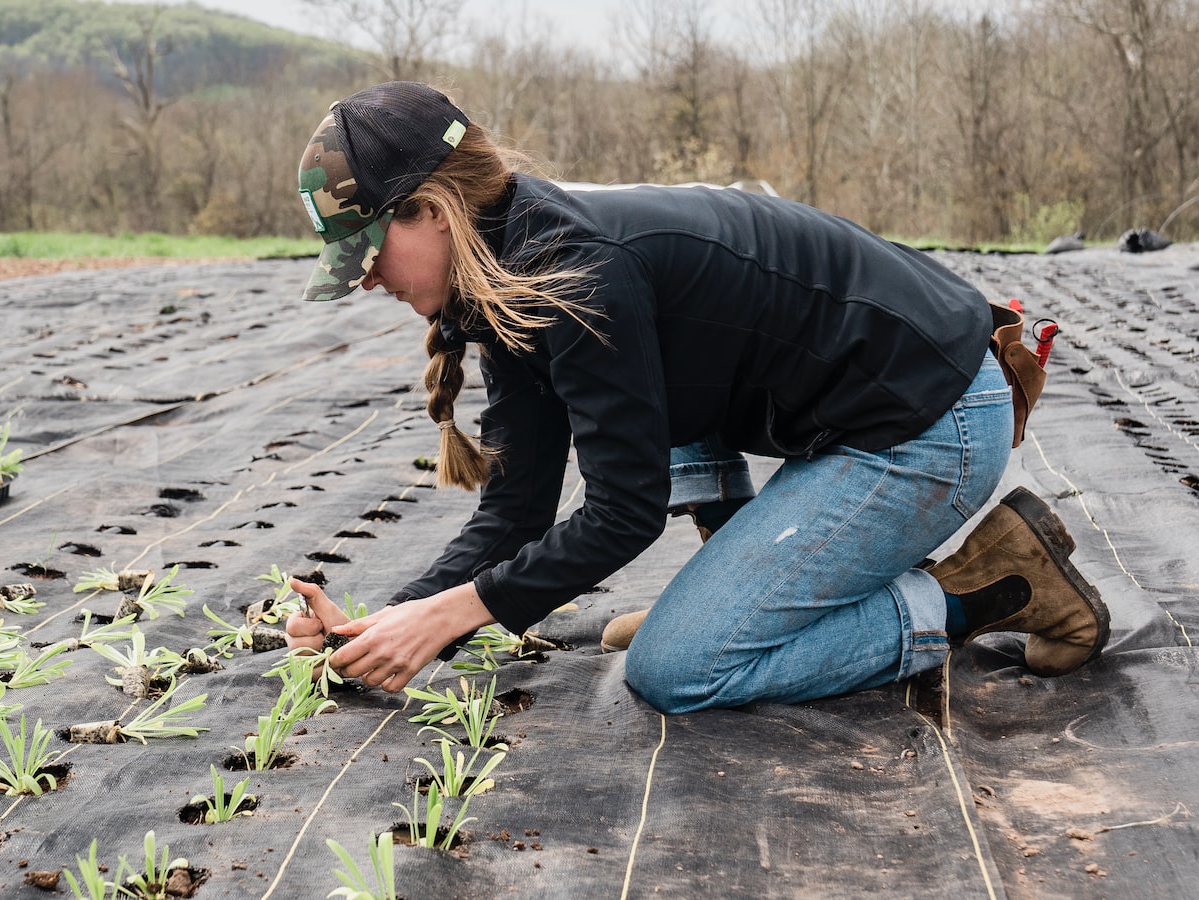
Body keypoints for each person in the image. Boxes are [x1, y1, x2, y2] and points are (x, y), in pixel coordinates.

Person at [283, 81, 1110, 713]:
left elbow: (622, 512)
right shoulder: (501, 273)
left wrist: (450, 614)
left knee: (679, 669)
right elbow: (517, 510)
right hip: (862, 405)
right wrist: (384, 626)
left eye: (368, 254)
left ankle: (992, 587)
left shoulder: (576, 273)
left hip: (930, 422)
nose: (364, 283)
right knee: (664, 464)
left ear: (431, 210)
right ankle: (732, 594)